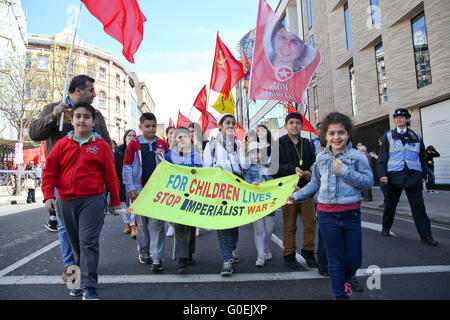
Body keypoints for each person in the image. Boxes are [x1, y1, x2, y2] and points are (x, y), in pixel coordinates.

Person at [29, 74, 112, 282]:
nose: (94, 95)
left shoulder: (96, 115)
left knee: (88, 235)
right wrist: (53, 117)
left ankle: (85, 266)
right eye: (91, 90)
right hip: (62, 185)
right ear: (78, 91)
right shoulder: (52, 109)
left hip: (93, 188)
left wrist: (112, 189)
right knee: (67, 231)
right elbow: (33, 133)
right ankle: (73, 271)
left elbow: (107, 147)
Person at [288, 112, 373, 300]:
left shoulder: (358, 157)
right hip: (327, 216)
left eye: (341, 133)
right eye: (332, 133)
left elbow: (367, 182)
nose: (337, 137)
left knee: (353, 260)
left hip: (351, 215)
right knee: (334, 261)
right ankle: (340, 296)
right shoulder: (321, 159)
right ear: (325, 136)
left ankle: (346, 279)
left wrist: (344, 171)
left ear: (348, 134)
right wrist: (297, 196)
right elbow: (314, 184)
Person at [42, 102, 121, 300]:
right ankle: (76, 280)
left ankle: (90, 286)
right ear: (72, 120)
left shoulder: (101, 146)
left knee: (88, 242)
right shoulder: (61, 145)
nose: (82, 120)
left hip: (92, 201)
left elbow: (111, 175)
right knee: (75, 244)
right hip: (65, 202)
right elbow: (50, 171)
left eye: (86, 116)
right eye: (78, 116)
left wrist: (115, 200)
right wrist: (48, 195)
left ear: (93, 121)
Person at [377, 108, 438, 246]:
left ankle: (426, 236)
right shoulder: (389, 135)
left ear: (407, 119)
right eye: (396, 117)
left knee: (418, 206)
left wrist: (423, 174)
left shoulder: (415, 135)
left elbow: (422, 156)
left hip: (413, 175)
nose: (398, 119)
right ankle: (386, 228)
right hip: (394, 175)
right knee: (390, 204)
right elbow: (383, 157)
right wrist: (383, 175)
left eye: (401, 117)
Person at [123, 113, 169, 270]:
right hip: (139, 190)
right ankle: (143, 251)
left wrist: (163, 159)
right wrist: (130, 187)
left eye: (153, 126)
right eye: (147, 126)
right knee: (141, 225)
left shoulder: (162, 144)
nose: (151, 129)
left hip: (158, 191)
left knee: (157, 224)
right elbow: (127, 167)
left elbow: (169, 166)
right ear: (140, 127)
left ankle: (157, 257)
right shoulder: (133, 145)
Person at [274, 112, 318, 270]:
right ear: (285, 126)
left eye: (298, 123)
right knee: (289, 224)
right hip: (288, 191)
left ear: (301, 126)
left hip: (306, 189)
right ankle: (289, 254)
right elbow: (275, 168)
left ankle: (308, 251)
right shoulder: (278, 143)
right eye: (291, 122)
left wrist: (309, 173)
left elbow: (313, 165)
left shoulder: (307, 143)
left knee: (310, 222)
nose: (295, 125)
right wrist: (292, 169)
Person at [203, 113, 245, 276]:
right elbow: (205, 167)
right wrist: (214, 170)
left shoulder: (237, 144)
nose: (230, 126)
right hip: (219, 190)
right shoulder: (211, 146)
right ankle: (227, 259)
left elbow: (243, 166)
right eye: (227, 123)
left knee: (234, 222)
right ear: (220, 126)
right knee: (223, 224)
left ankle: (232, 248)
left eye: (233, 124)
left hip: (235, 188)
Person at [165, 127, 203, 273]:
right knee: (179, 226)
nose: (182, 140)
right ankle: (181, 259)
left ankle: (189, 252)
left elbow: (201, 175)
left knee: (191, 226)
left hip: (193, 196)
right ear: (175, 140)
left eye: (185, 137)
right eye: (179, 137)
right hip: (176, 197)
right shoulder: (169, 157)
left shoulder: (196, 156)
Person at [243, 141, 274, 267]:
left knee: (269, 228)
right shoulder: (248, 169)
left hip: (268, 201)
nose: (256, 155)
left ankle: (265, 247)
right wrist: (251, 185)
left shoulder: (268, 167)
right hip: (255, 202)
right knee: (259, 229)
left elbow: (274, 182)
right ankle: (260, 255)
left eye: (258, 151)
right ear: (249, 155)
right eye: (252, 152)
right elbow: (244, 183)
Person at [114, 129, 137, 238]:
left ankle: (133, 226)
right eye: (129, 135)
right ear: (125, 137)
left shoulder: (137, 149)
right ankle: (127, 223)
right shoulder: (119, 150)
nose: (131, 137)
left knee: (133, 204)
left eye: (133, 135)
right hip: (121, 181)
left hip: (133, 181)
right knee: (124, 204)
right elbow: (115, 165)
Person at [370, 136, 388, 208]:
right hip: (383, 172)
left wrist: (374, 156)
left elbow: (382, 159)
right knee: (384, 187)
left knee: (384, 187)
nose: (379, 144)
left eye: (380, 142)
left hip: (385, 173)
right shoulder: (384, 149)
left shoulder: (385, 149)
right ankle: (387, 201)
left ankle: (387, 202)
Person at [165, 126, 176, 237]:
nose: (173, 135)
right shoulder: (164, 147)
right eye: (171, 133)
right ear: (167, 135)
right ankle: (170, 225)